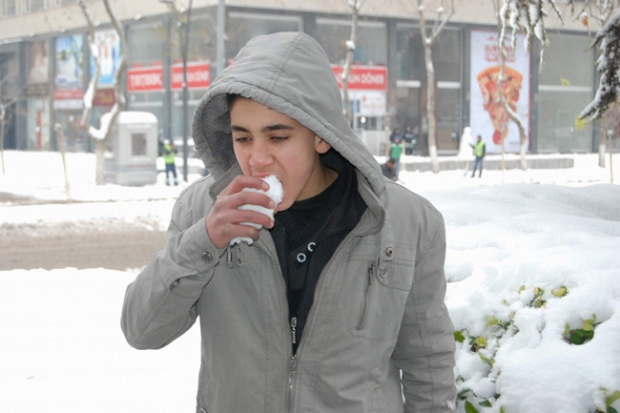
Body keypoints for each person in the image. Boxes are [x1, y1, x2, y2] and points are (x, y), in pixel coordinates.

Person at [121, 32, 455, 413]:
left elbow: (429, 367)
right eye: (243, 138)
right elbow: (142, 330)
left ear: (321, 136)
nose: (257, 159)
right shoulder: (202, 210)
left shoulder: (407, 222)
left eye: (277, 137)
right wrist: (205, 240)